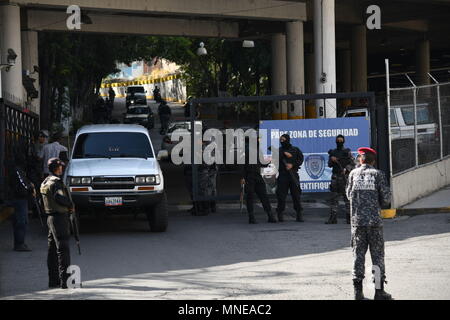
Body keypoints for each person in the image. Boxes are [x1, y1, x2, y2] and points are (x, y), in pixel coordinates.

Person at [346, 147, 393, 300]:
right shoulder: (378, 174)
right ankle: (379, 292)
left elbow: (348, 195)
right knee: (377, 256)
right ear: (373, 160)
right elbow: (386, 199)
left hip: (357, 223)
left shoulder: (353, 174)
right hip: (374, 223)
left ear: (361, 159)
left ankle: (357, 293)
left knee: (358, 256)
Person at [40, 158, 75, 289]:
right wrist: (70, 204)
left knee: (52, 250)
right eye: (60, 166)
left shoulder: (45, 181)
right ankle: (65, 281)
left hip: (50, 217)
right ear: (57, 168)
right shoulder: (56, 182)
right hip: (59, 218)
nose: (62, 168)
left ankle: (53, 280)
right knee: (63, 249)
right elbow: (59, 198)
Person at [240, 136, 276, 224]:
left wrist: (269, 162)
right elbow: (242, 165)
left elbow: (261, 164)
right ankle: (253, 217)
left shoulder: (257, 150)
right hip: (249, 177)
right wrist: (242, 177)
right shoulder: (246, 151)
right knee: (252, 197)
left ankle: (269, 216)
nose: (259, 141)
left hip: (256, 176)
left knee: (262, 196)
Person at [8, 151, 36, 251]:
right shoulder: (17, 170)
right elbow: (23, 184)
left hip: (18, 198)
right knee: (21, 221)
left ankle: (19, 243)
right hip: (19, 199)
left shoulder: (17, 170)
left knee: (19, 221)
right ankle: (19, 244)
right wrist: (30, 188)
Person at [326, 135, 355, 224]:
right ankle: (333, 218)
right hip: (335, 177)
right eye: (337, 140)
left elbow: (353, 163)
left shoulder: (347, 152)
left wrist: (346, 169)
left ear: (343, 141)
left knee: (347, 198)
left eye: (341, 140)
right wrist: (332, 160)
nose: (339, 142)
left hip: (345, 178)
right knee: (334, 199)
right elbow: (329, 165)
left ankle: (349, 218)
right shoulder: (333, 152)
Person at [276, 134, 304, 222]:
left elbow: (300, 160)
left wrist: (292, 165)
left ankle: (299, 214)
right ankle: (280, 213)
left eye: (283, 139)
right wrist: (283, 153)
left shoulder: (295, 150)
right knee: (281, 196)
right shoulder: (279, 150)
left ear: (288, 140)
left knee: (296, 195)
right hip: (283, 175)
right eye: (281, 140)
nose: (282, 141)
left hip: (293, 175)